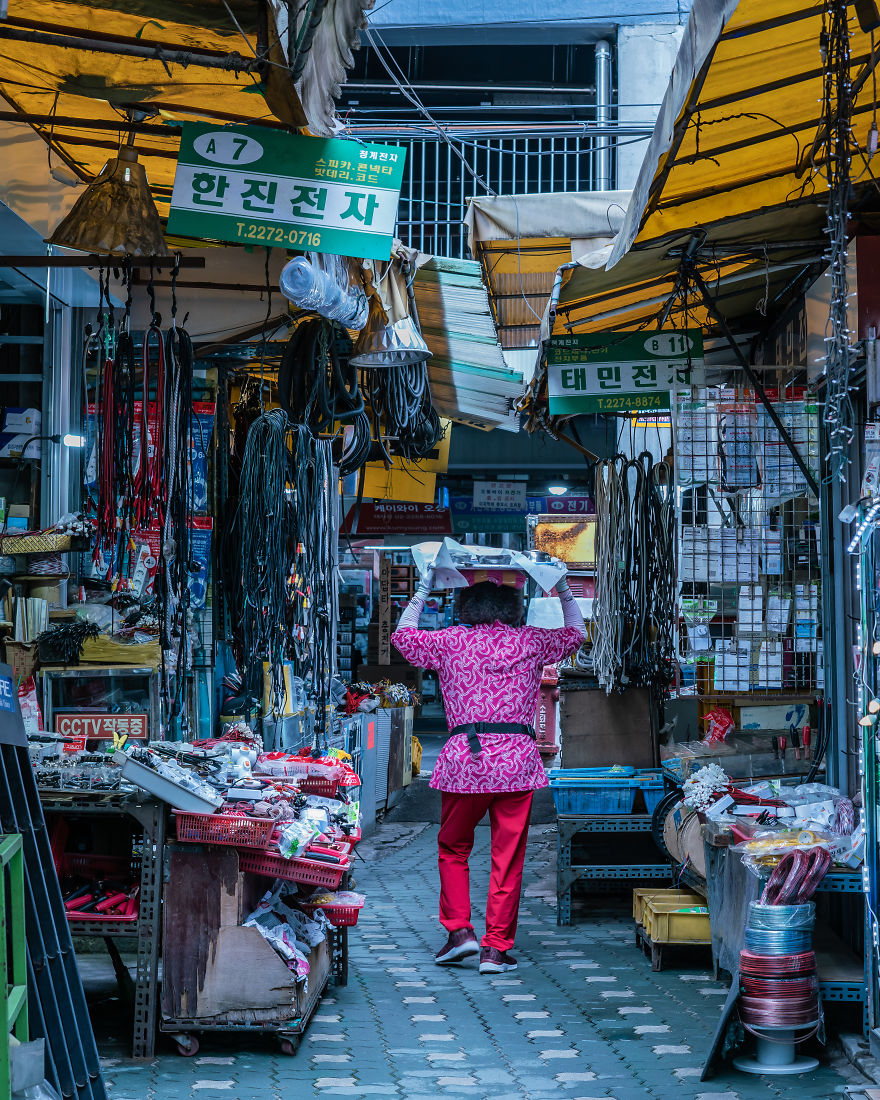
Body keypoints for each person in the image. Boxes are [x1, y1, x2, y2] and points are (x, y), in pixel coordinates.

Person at [391, 568, 587, 974]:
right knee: (507, 857)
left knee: (453, 847)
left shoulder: (448, 642)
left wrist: (423, 588)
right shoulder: (530, 641)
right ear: (514, 609)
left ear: (465, 606)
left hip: (467, 760)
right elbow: (575, 633)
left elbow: (402, 637)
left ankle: (459, 933)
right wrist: (562, 586)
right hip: (517, 762)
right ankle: (495, 950)